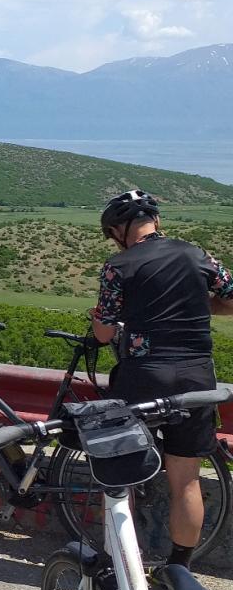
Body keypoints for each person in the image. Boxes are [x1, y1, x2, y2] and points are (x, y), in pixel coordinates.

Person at [90, 189, 233, 570]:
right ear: (155, 220)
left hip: (143, 375)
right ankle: (179, 572)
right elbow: (232, 300)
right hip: (195, 376)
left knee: (122, 473)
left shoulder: (119, 266)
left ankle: (121, 564)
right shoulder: (196, 254)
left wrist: (98, 318)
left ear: (119, 229)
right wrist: (203, 304)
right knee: (186, 482)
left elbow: (104, 333)